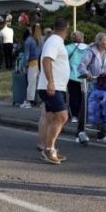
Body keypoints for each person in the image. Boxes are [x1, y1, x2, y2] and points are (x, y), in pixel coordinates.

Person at [37, 18, 71, 164]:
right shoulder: (54, 42)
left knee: (52, 117)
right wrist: (51, 82)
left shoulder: (55, 41)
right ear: (66, 29)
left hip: (56, 86)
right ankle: (49, 149)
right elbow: (47, 60)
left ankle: (49, 148)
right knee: (62, 117)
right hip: (52, 87)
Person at [65, 30, 89, 124]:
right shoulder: (89, 48)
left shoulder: (68, 48)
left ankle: (74, 116)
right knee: (84, 97)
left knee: (73, 96)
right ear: (82, 38)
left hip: (72, 76)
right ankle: (83, 114)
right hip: (85, 76)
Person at [19, 24, 43, 108]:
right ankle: (41, 101)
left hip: (32, 63)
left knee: (31, 83)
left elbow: (26, 55)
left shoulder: (29, 40)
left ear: (31, 30)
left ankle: (29, 101)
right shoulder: (41, 40)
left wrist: (25, 65)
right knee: (40, 83)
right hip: (40, 63)